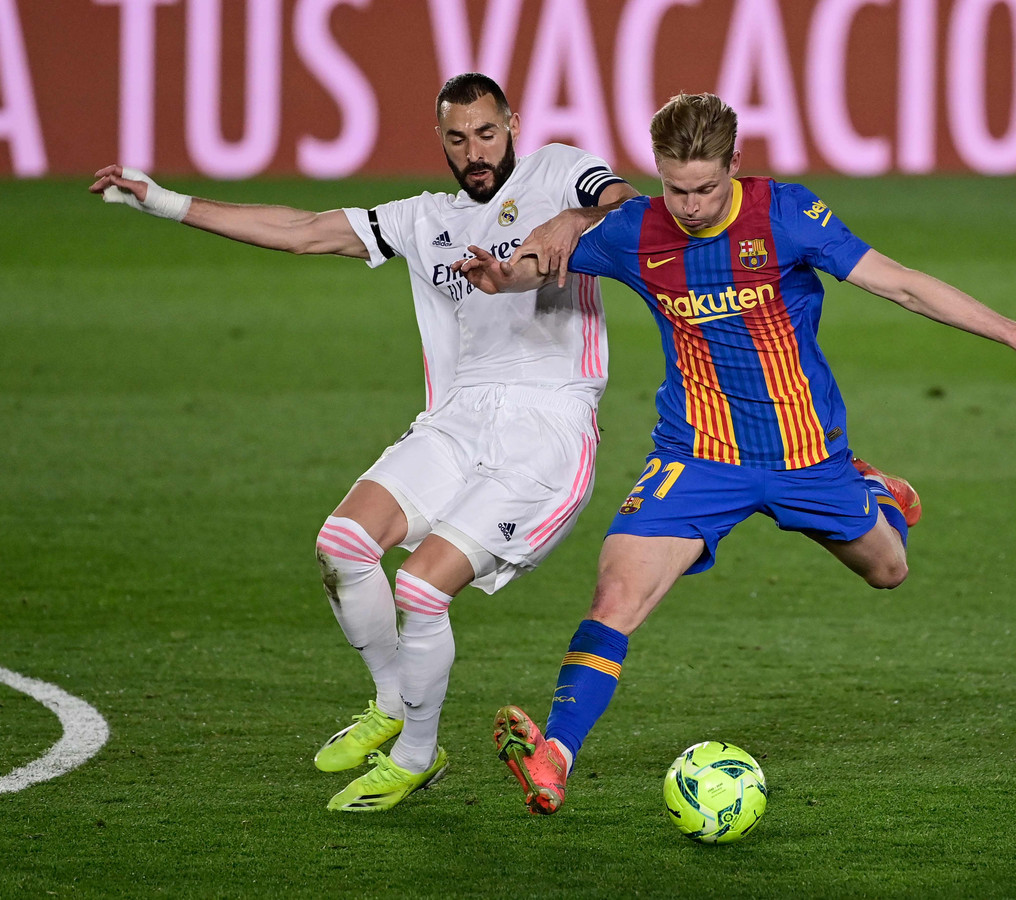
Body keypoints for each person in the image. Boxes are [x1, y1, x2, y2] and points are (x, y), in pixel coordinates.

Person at [454, 92, 1016, 815]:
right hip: (698, 455)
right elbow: (545, 259)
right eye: (674, 186)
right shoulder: (635, 229)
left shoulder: (784, 215)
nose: (689, 205)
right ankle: (557, 756)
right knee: (617, 592)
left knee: (889, 569)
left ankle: (876, 490)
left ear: (735, 165)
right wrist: (507, 271)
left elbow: (905, 285)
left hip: (807, 456)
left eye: (703, 187)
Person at [89, 73, 637, 812]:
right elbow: (302, 232)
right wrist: (162, 200)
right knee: (342, 544)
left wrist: (576, 218)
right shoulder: (424, 218)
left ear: (513, 123)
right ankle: (392, 701)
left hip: (547, 428)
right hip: (459, 416)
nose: (474, 152)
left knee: (419, 587)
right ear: (439, 138)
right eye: (456, 138)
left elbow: (628, 204)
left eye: (486, 133)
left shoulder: (558, 170)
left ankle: (416, 754)